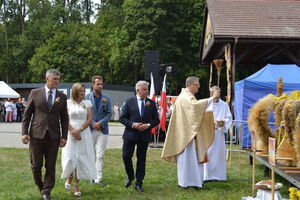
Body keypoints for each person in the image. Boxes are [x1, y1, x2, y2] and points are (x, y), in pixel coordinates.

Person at [161, 76, 218, 189]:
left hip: (189, 132)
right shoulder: (186, 97)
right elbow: (195, 107)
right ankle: (187, 182)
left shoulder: (188, 96)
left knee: (193, 158)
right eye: (197, 85)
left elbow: (196, 112)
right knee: (187, 159)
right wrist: (211, 99)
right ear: (190, 85)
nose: (198, 87)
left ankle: (195, 181)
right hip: (186, 134)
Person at [22, 69, 69, 200]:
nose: (57, 82)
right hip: (36, 135)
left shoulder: (62, 96)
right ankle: (41, 186)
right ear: (47, 79)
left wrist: (64, 136)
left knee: (50, 166)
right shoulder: (35, 93)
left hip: (54, 136)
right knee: (36, 165)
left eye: (58, 79)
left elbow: (65, 118)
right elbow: (27, 115)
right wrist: (24, 133)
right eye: (55, 79)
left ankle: (46, 192)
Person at [119, 80, 160, 192]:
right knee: (126, 156)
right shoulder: (129, 102)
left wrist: (147, 125)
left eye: (147, 89)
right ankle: (130, 176)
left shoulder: (151, 103)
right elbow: (122, 118)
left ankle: (139, 182)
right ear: (137, 90)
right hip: (130, 135)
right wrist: (133, 125)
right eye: (144, 89)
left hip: (144, 136)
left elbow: (156, 120)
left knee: (141, 159)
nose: (146, 91)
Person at [61, 83, 97, 197]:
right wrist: (72, 131)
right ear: (75, 91)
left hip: (84, 133)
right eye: (80, 91)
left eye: (83, 91)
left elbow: (89, 119)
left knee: (81, 158)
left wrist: (79, 130)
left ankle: (76, 183)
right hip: (70, 132)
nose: (82, 93)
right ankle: (70, 176)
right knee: (71, 157)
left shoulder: (87, 103)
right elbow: (65, 118)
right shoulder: (67, 103)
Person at [86, 76, 112, 186]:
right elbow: (84, 114)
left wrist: (100, 123)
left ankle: (98, 178)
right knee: (90, 154)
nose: (100, 86)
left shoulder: (106, 98)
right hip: (90, 129)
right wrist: (93, 123)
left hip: (103, 130)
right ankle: (90, 176)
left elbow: (109, 113)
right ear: (93, 85)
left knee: (100, 155)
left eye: (101, 84)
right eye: (98, 84)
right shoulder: (86, 98)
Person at [204, 86, 232, 182]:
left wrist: (220, 122)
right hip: (208, 133)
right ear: (211, 93)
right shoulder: (207, 103)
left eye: (219, 92)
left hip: (219, 133)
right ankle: (207, 176)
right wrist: (210, 122)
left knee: (219, 154)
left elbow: (228, 118)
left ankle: (219, 175)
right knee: (208, 153)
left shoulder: (224, 105)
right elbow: (202, 116)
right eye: (216, 93)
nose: (218, 94)